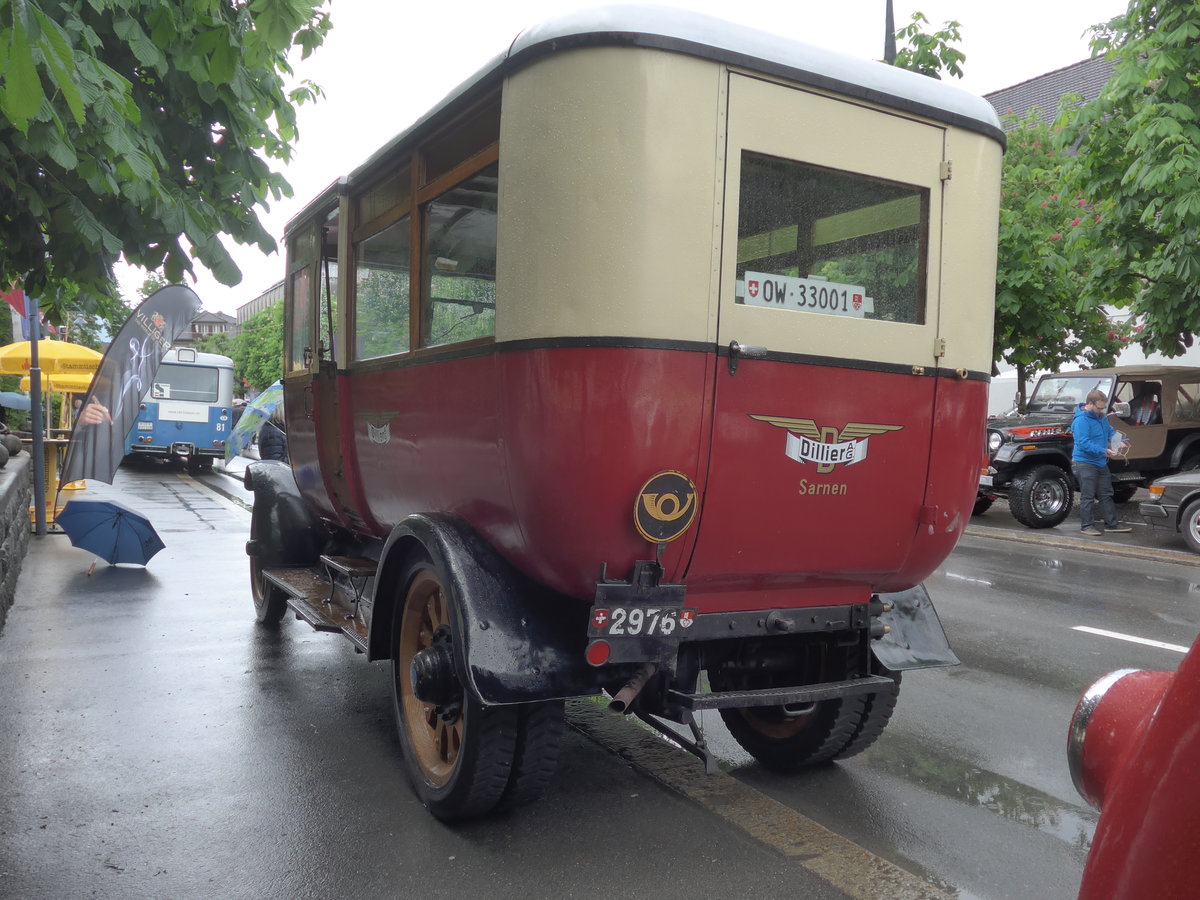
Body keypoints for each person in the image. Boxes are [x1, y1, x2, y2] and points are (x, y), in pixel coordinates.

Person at [1071, 389, 1132, 536]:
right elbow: (1083, 442)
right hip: (1084, 463)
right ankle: (1086, 526)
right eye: (1099, 407)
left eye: (1103, 407)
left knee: (1106, 494)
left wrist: (1118, 441)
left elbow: (1110, 431)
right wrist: (1103, 450)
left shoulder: (1102, 417)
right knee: (1088, 495)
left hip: (1100, 462)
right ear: (1090, 404)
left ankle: (1111, 524)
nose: (1102, 410)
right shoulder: (1081, 420)